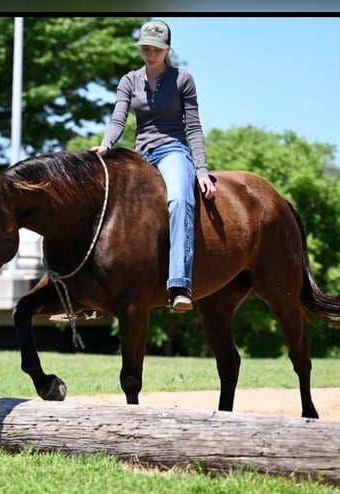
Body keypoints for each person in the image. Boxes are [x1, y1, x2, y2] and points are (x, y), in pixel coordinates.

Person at [91, 19, 216, 313]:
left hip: (172, 149)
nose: (151, 53)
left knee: (179, 200)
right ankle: (91, 290)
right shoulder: (129, 80)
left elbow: (194, 128)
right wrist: (106, 145)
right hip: (139, 154)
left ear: (167, 49)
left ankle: (179, 284)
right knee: (100, 200)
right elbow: (118, 119)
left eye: (157, 48)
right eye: (146, 47)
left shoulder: (183, 79)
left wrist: (201, 170)